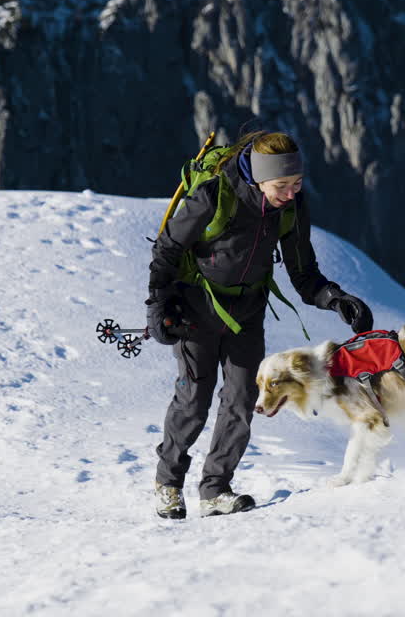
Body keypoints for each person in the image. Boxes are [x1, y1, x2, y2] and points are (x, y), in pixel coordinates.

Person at [146, 130, 373, 519]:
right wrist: (158, 304)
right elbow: (167, 248)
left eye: (297, 183)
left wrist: (335, 299)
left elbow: (305, 274)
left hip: (247, 313)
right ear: (258, 178)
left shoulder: (290, 208)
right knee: (194, 402)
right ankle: (168, 483)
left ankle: (216, 489)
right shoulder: (214, 196)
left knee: (241, 401)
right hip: (197, 310)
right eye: (282, 185)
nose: (291, 193)